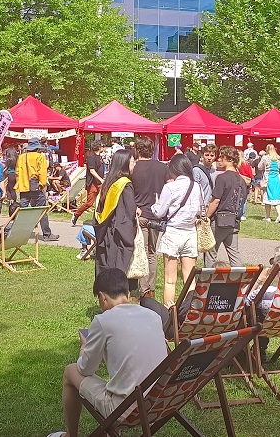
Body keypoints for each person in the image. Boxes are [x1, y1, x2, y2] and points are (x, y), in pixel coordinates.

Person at [46, 268, 167, 437]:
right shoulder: (153, 316)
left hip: (126, 410)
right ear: (127, 292)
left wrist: (84, 348)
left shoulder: (103, 321)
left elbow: (86, 370)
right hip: (159, 402)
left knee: (70, 371)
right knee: (119, 381)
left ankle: (70, 435)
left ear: (102, 297)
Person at [152, 154, 201, 307]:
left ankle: (169, 312)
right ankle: (190, 311)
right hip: (190, 232)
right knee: (190, 278)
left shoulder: (170, 187)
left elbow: (159, 212)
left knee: (170, 279)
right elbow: (199, 209)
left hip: (173, 232)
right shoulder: (196, 186)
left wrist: (155, 204)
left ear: (173, 168)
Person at [130, 137, 170, 299]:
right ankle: (150, 290)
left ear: (137, 150)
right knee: (152, 253)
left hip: (138, 213)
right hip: (156, 214)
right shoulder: (162, 167)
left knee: (140, 251)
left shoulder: (133, 168)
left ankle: (143, 288)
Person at [245, 246, 280, 361]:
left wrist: (259, 280)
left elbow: (244, 301)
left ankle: (240, 353)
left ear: (276, 270)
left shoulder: (265, 293)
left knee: (251, 314)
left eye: (272, 263)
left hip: (266, 327)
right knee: (259, 315)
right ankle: (260, 350)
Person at [93, 149, 138, 290]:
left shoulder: (109, 182)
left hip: (105, 234)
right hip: (118, 235)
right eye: (132, 161)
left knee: (106, 268)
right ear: (124, 163)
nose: (135, 164)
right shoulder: (125, 185)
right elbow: (129, 213)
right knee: (118, 273)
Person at [205, 145, 247, 266]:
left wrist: (206, 216)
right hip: (235, 220)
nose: (218, 160)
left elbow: (216, 200)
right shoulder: (241, 180)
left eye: (221, 158)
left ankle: (208, 280)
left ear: (229, 159)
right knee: (234, 253)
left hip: (220, 220)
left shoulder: (222, 178)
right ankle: (239, 279)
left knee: (210, 252)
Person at [17, 138, 59, 241]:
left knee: (22, 211)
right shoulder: (40, 157)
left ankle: (18, 232)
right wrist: (42, 185)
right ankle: (46, 234)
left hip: (23, 187)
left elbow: (17, 172)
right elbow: (42, 173)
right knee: (42, 211)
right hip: (36, 188)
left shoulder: (21, 157)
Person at [72, 141, 104, 225]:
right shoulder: (91, 157)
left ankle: (99, 220)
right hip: (93, 183)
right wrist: (101, 179)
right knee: (90, 203)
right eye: (102, 146)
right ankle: (76, 214)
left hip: (100, 183)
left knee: (102, 201)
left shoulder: (100, 157)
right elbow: (92, 171)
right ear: (99, 147)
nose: (103, 148)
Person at [262, 145, 280, 223]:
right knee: (277, 198)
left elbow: (259, 167)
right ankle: (279, 216)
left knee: (267, 197)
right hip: (277, 179)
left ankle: (267, 216)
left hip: (268, 178)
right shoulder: (279, 158)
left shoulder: (265, 158)